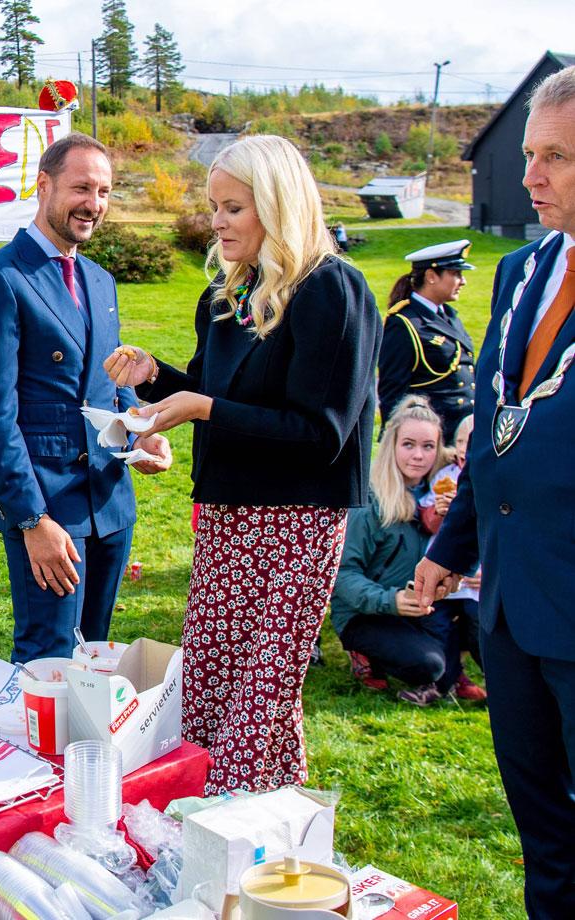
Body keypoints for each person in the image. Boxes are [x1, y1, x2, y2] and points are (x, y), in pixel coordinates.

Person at [106, 135, 382, 793]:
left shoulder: (331, 291)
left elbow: (322, 433)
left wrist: (200, 407)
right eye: (213, 207)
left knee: (258, 696)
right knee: (210, 685)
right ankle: (277, 825)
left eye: (233, 208)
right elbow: (215, 393)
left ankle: (228, 825)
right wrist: (155, 379)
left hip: (296, 526)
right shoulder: (226, 297)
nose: (217, 223)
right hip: (227, 520)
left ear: (277, 205)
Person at [415, 64, 575, 918]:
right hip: (510, 609)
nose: (530, 177)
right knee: (542, 831)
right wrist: (451, 549)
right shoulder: (521, 273)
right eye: (528, 154)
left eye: (556, 157)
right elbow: (496, 435)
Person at [0, 132, 172, 663]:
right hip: (49, 508)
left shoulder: (101, 280)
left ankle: (85, 751)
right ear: (44, 185)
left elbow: (111, 385)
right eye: (81, 188)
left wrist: (140, 438)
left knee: (97, 655)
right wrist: (31, 519)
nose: (93, 205)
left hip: (110, 502)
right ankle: (38, 752)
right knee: (48, 658)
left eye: (103, 192)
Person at [330, 397, 466, 705]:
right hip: (366, 611)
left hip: (419, 603)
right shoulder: (371, 500)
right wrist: (391, 601)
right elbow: (343, 574)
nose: (418, 456)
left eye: (428, 446)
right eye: (408, 444)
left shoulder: (441, 490)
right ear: (392, 444)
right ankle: (364, 654)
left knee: (475, 641)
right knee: (429, 665)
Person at [377, 240, 477, 439]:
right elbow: (392, 392)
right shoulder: (404, 322)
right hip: (431, 436)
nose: (462, 281)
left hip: (461, 432)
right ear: (431, 276)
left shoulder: (449, 315)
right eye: (456, 274)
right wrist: (396, 440)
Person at [418, 414, 485, 701]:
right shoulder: (444, 478)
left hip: (477, 582)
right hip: (445, 575)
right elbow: (428, 520)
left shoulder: (484, 475)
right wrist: (439, 511)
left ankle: (497, 682)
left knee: (478, 630)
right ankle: (443, 682)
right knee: (439, 626)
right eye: (459, 441)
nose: (462, 448)